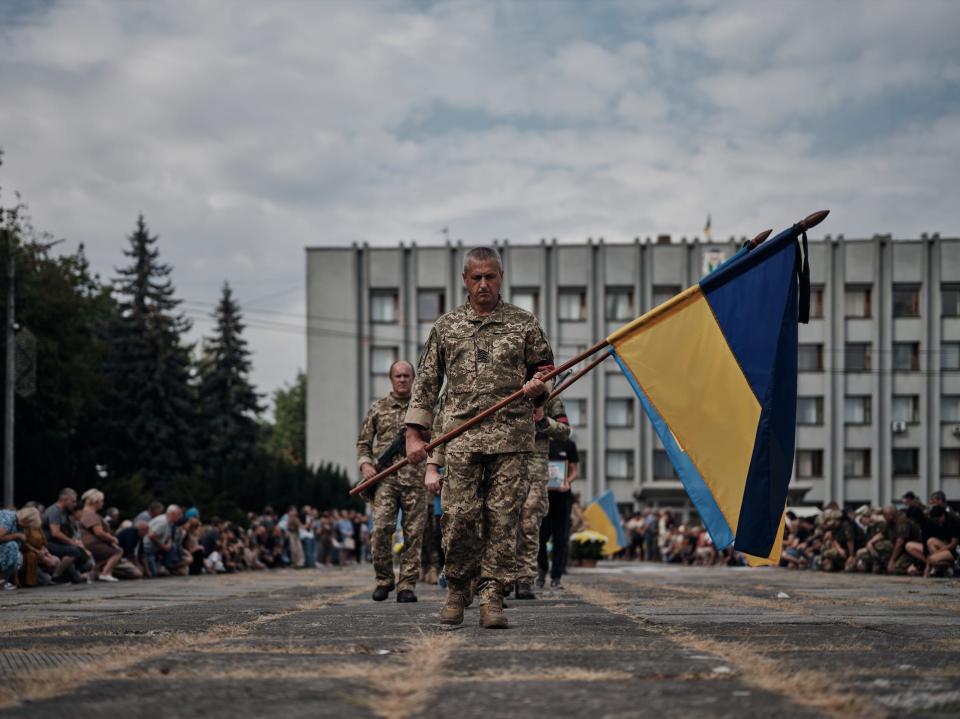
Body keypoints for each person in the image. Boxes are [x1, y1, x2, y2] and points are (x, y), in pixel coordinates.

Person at [406, 246, 553, 629]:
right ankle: (457, 588)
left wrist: (540, 386)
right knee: (457, 517)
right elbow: (426, 384)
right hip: (461, 437)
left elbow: (546, 368)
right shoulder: (446, 326)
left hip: (511, 437)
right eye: (476, 277)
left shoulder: (524, 323)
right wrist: (414, 434)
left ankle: (493, 596)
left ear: (501, 277)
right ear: (465, 280)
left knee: (504, 520)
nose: (484, 284)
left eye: (491, 276)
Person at [357, 359, 428, 602]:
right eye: (398, 376)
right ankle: (384, 579)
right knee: (381, 529)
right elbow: (364, 442)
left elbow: (439, 439)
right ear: (391, 379)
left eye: (407, 376)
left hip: (416, 480)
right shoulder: (378, 408)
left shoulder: (424, 409)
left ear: (413, 378)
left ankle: (407, 585)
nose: (402, 380)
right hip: (385, 480)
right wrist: (366, 464)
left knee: (414, 534)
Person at [516, 397, 570, 599]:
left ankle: (525, 579)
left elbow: (565, 430)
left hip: (536, 469)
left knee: (530, 523)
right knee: (502, 522)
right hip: (505, 463)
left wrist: (543, 419)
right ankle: (502, 578)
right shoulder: (507, 385)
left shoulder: (551, 398)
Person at [537, 432, 579, 589]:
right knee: (541, 537)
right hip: (542, 496)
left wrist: (567, 481)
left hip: (562, 496)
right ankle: (542, 571)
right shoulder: (540, 441)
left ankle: (556, 577)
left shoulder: (569, 444)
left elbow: (575, 471)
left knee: (560, 539)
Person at [42, 488, 89, 583]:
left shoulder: (63, 512)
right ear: (65, 499)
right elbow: (55, 533)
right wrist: (72, 543)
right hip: (48, 543)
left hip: (56, 542)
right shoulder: (54, 511)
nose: (75, 504)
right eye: (73, 501)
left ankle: (68, 574)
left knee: (77, 580)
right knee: (74, 551)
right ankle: (56, 576)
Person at [78, 489, 123, 582]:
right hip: (92, 542)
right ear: (96, 502)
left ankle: (94, 574)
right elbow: (99, 532)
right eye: (102, 501)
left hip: (86, 541)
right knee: (118, 551)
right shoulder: (91, 514)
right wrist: (113, 539)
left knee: (104, 558)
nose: (103, 503)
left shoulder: (84, 512)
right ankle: (105, 573)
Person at [0, 507, 25, 590]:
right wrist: (17, 535)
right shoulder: (9, 518)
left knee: (17, 554)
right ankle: (2, 581)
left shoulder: (18, 524)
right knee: (12, 547)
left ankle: (4, 581)